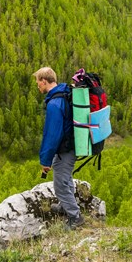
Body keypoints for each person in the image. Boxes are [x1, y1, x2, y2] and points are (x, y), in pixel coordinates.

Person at [33, 67, 85, 230]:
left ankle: (75, 217)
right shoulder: (63, 92)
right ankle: (65, 205)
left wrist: (45, 160)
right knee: (64, 175)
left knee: (60, 184)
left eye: (38, 83)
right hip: (71, 144)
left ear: (43, 81)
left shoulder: (55, 103)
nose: (37, 86)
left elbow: (52, 135)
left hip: (67, 148)